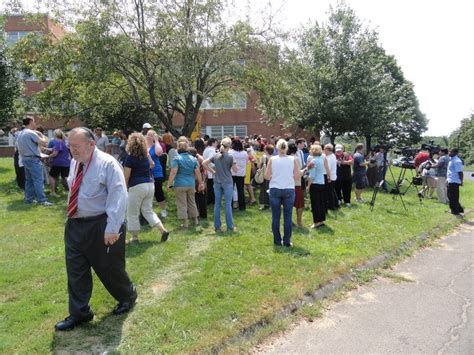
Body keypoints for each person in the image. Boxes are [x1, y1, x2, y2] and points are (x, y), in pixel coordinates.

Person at [54, 127, 137, 331]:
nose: (72, 150)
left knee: (108, 267)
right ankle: (80, 313)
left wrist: (112, 228)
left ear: (91, 144)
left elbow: (118, 196)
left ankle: (127, 295)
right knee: (76, 270)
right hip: (75, 225)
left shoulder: (108, 164)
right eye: (69, 146)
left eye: (76, 146)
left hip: (100, 224)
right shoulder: (75, 163)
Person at [123, 133, 169, 243]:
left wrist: (125, 188)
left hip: (137, 186)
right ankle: (163, 230)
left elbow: (126, 176)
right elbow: (152, 164)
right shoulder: (146, 155)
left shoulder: (130, 158)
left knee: (132, 212)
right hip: (149, 184)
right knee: (148, 210)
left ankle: (134, 238)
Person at [264, 139, 298, 247]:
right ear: (286, 148)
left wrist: (274, 176)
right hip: (288, 188)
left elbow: (266, 176)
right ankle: (287, 241)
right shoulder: (293, 159)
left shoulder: (272, 159)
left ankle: (277, 241)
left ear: (277, 148)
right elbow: (297, 176)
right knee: (288, 216)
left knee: (275, 216)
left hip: (275, 188)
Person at [167, 137, 204, 228]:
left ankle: (185, 223)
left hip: (179, 184)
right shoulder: (193, 159)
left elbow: (173, 172)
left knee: (182, 203)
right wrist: (201, 183)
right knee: (192, 202)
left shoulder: (176, 158)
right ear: (187, 148)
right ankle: (195, 220)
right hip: (191, 184)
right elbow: (198, 172)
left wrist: (169, 184)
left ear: (178, 148)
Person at [203, 137, 238, 232]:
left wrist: (213, 172)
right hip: (227, 183)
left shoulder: (216, 156)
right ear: (229, 146)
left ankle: (217, 227)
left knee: (217, 205)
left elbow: (204, 163)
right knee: (227, 205)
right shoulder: (230, 157)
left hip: (217, 182)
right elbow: (235, 170)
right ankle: (230, 227)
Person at [16, 116, 52, 206]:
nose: (35, 123)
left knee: (29, 180)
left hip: (25, 159)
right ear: (31, 121)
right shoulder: (30, 133)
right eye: (34, 121)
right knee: (38, 180)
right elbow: (44, 143)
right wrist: (40, 134)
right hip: (33, 159)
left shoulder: (20, 133)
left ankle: (29, 199)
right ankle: (42, 200)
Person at [307, 144, 331, 228]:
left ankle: (316, 222)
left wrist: (308, 186)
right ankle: (321, 220)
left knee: (315, 203)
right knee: (321, 202)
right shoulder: (321, 159)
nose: (309, 151)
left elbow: (312, 176)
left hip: (315, 184)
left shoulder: (313, 161)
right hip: (321, 182)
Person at [146, 130, 168, 218]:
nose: (148, 137)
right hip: (146, 173)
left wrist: (157, 140)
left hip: (156, 172)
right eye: (148, 135)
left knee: (158, 192)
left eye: (151, 136)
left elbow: (159, 152)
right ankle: (148, 212)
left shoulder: (156, 146)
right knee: (147, 193)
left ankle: (163, 210)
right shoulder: (144, 146)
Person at [48, 129, 71, 196]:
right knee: (65, 177)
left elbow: (55, 153)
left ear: (55, 135)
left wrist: (48, 156)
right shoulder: (65, 142)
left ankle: (53, 192)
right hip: (66, 162)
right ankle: (71, 190)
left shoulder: (58, 142)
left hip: (58, 163)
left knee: (52, 176)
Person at [288, 143, 305, 227]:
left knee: (288, 204)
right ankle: (299, 222)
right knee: (299, 205)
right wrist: (306, 169)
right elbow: (298, 173)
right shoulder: (295, 159)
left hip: (287, 184)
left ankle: (289, 221)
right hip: (296, 184)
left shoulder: (285, 158)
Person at [230, 139, 248, 211]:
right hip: (241, 173)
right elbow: (246, 162)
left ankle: (230, 206)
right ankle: (242, 207)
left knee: (230, 190)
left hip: (232, 173)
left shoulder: (231, 152)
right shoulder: (244, 153)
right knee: (241, 190)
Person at [447, 148, 464, 216]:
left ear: (455, 153)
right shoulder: (451, 160)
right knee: (451, 196)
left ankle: (454, 211)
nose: (449, 152)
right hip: (450, 180)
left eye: (451, 151)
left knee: (452, 196)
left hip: (454, 181)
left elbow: (460, 172)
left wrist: (461, 181)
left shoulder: (457, 161)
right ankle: (459, 209)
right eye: (449, 151)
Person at [258, 144, 274, 210]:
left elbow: (259, 166)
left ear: (266, 150)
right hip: (272, 176)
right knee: (271, 191)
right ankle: (271, 205)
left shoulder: (263, 157)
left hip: (265, 176)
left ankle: (262, 205)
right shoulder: (274, 157)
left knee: (263, 190)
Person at [203, 138, 218, 204]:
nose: (217, 144)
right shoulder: (212, 150)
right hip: (211, 170)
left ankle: (209, 200)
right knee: (212, 186)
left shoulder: (206, 149)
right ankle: (212, 200)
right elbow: (211, 160)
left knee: (209, 186)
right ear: (213, 142)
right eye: (216, 142)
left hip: (207, 169)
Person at [324, 144, 338, 210]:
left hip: (330, 176)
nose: (324, 151)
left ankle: (332, 206)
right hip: (333, 176)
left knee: (330, 192)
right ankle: (336, 204)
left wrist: (328, 177)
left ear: (327, 150)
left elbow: (328, 169)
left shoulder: (329, 157)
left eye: (324, 149)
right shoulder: (332, 155)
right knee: (332, 191)